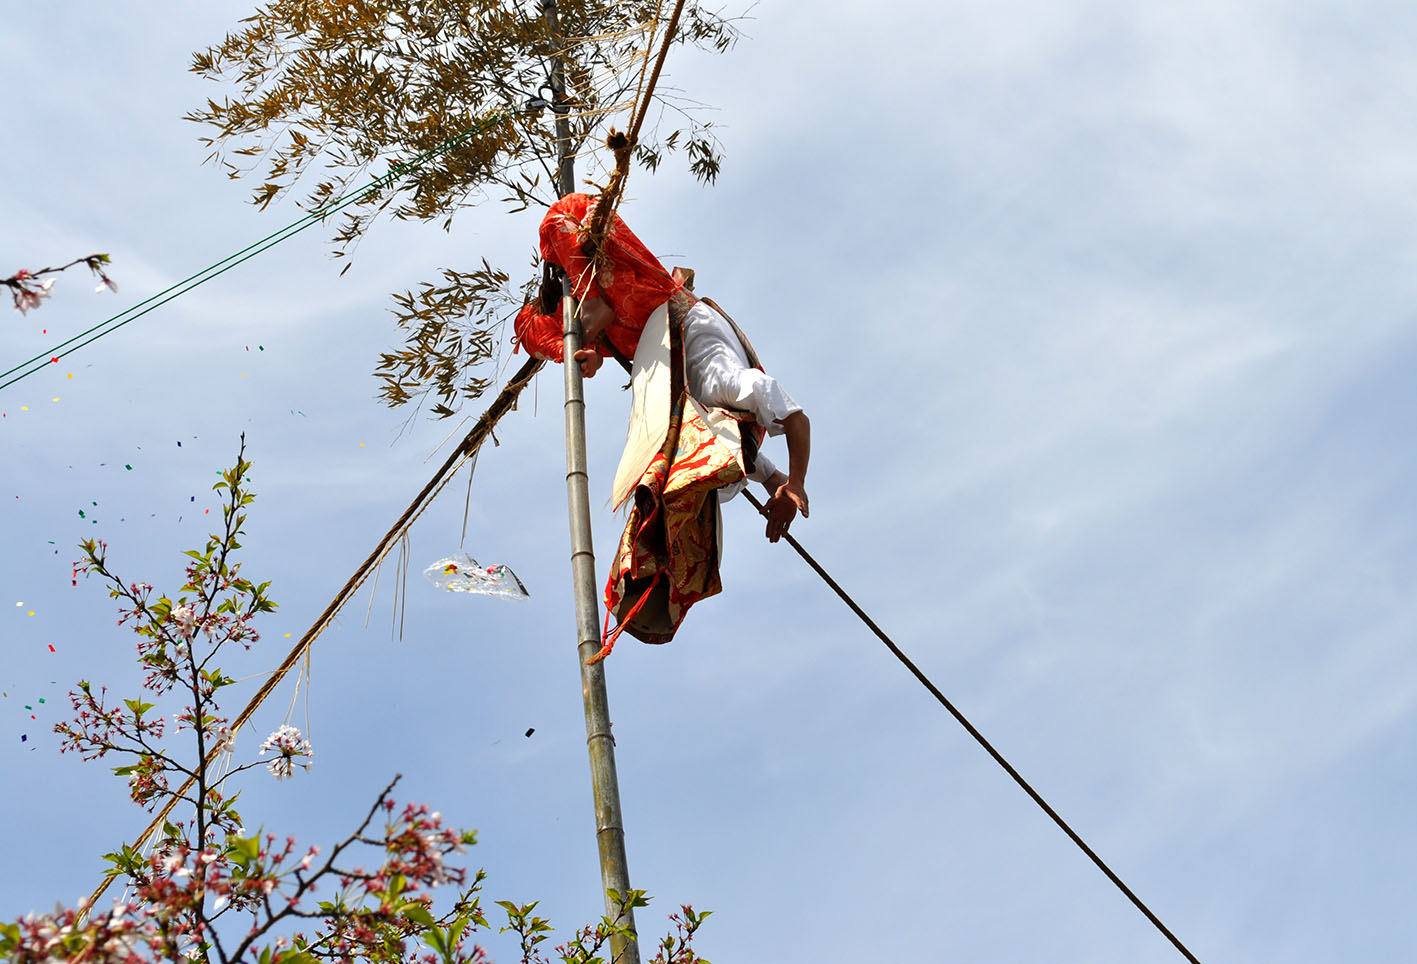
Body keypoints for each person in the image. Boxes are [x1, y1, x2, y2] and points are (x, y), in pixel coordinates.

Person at [514, 193, 811, 658]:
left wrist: (778, 483)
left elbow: (753, 465)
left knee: (532, 327)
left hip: (640, 338)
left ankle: (586, 319)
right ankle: (586, 309)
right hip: (664, 311)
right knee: (561, 221)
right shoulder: (728, 386)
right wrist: (796, 483)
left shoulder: (717, 433)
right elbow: (795, 416)